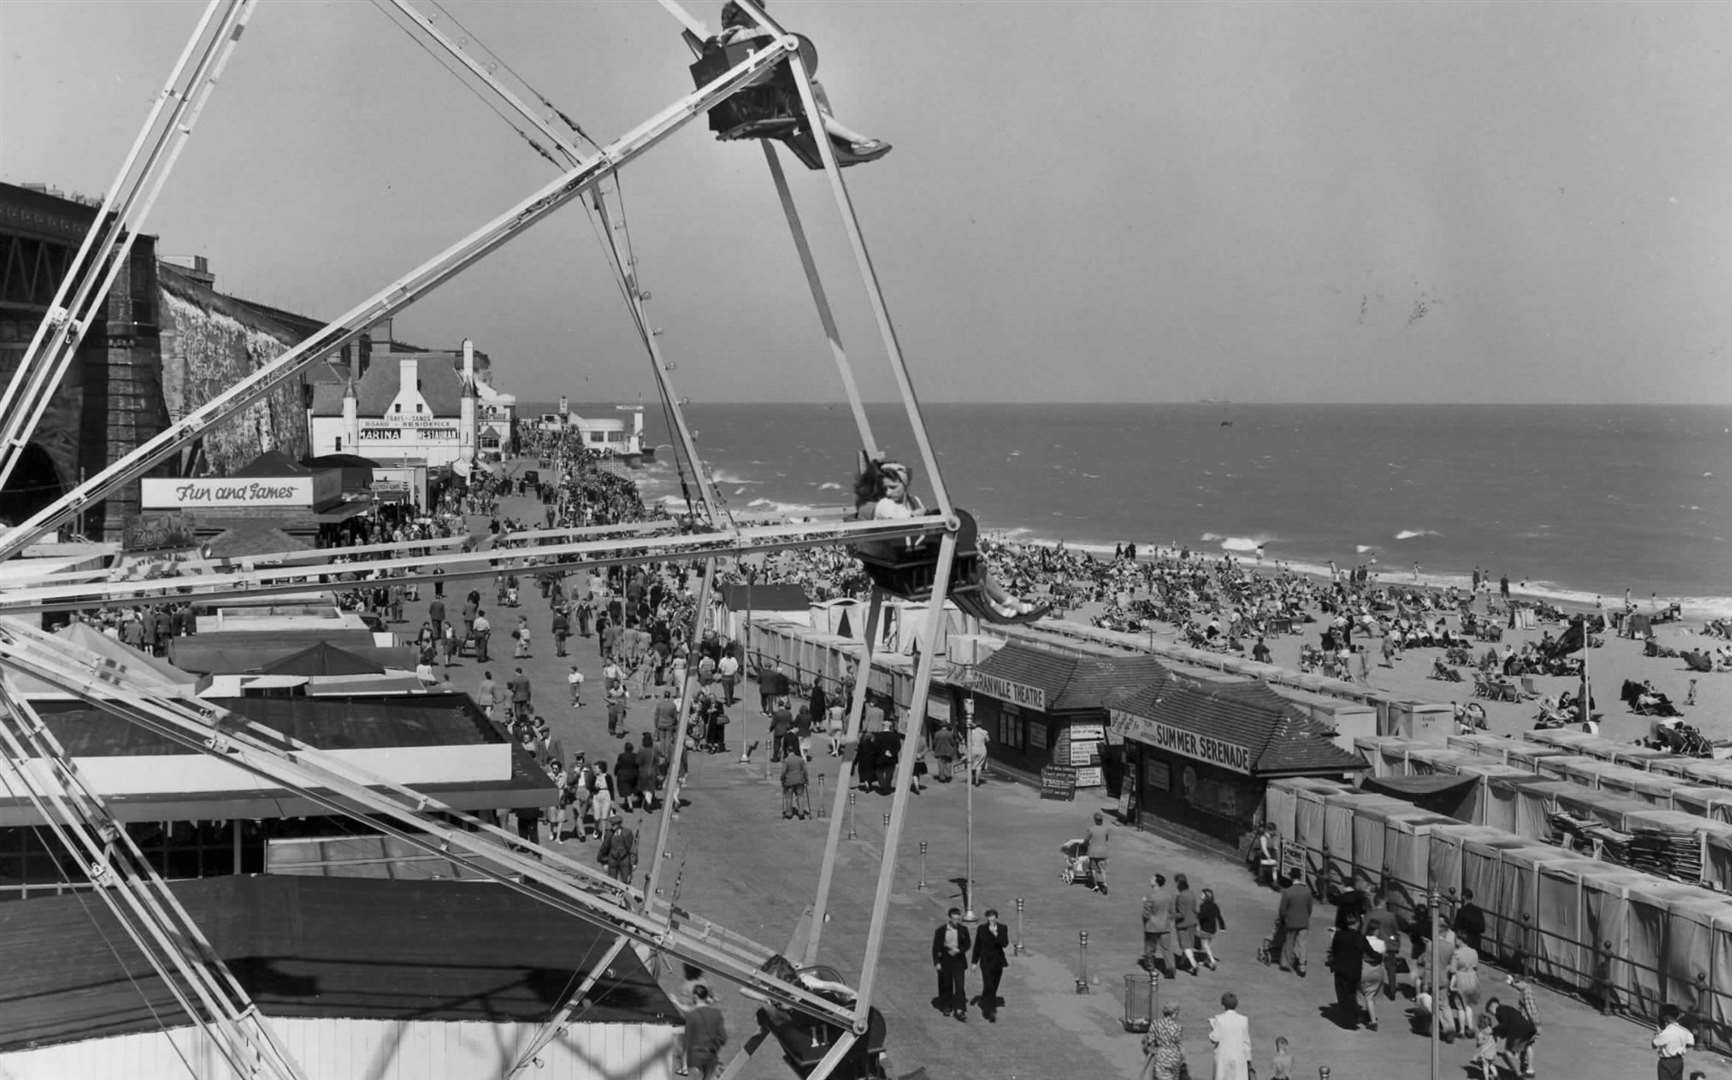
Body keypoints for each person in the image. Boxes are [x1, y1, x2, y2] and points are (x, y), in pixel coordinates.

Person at [713, 0, 891, 161]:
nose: (758, 20)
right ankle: (853, 140)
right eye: (757, 12)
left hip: (755, 95)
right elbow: (768, 57)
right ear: (743, 13)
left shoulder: (725, 40)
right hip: (762, 97)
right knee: (812, 90)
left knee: (810, 93)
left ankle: (847, 138)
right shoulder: (743, 36)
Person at [931, 907, 971, 1021]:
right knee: (946, 985)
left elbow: (967, 944)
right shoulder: (941, 931)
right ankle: (947, 1006)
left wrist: (959, 950)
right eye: (954, 919)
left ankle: (960, 1009)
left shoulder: (963, 930)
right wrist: (937, 962)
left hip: (958, 961)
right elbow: (935, 948)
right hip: (945, 960)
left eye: (958, 919)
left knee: (960, 985)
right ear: (949, 918)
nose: (956, 922)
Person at [1485, 993, 1537, 1080]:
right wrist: (1499, 1034)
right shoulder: (1507, 1009)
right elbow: (1506, 1026)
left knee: (1506, 1054)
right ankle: (1530, 1070)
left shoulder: (1499, 1011)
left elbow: (1504, 1025)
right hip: (1527, 1028)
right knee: (1527, 1045)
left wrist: (1494, 1031)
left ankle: (1518, 1075)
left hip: (1517, 1031)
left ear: (1492, 1006)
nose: (1492, 1014)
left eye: (1490, 1012)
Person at [971, 907, 1009, 1022]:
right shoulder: (982, 929)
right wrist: (974, 962)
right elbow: (977, 945)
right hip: (986, 961)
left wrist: (996, 934)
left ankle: (986, 998)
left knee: (994, 985)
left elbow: (1005, 944)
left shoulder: (1003, 928)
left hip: (998, 961)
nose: (991, 922)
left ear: (996, 918)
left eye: (993, 920)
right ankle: (989, 1010)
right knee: (988, 985)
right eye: (989, 920)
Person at [682, 984, 728, 1079]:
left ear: (695, 997)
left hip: (695, 1058)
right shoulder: (717, 1014)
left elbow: (687, 1041)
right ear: (706, 997)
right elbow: (723, 1038)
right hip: (711, 1056)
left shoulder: (691, 1015)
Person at [1275, 871, 1313, 976]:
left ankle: (1287, 963)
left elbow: (1282, 909)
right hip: (1304, 921)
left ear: (1291, 878)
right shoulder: (1307, 891)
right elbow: (1310, 907)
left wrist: (1282, 919)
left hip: (1291, 921)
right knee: (1302, 943)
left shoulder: (1288, 892)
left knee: (1289, 942)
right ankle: (1302, 966)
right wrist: (1306, 916)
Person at [1208, 991, 1251, 1080]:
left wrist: (1212, 1027)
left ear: (1223, 1005)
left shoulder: (1219, 1019)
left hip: (1223, 1057)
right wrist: (1249, 1059)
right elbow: (1246, 1041)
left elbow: (1214, 1038)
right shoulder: (1243, 1020)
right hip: (1239, 1056)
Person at [1142, 874, 1176, 976]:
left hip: (1152, 927)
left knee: (1150, 949)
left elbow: (1146, 913)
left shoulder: (1150, 896)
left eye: (1152, 879)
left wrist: (1144, 904)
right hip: (1165, 926)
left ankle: (1151, 968)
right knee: (1167, 949)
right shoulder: (1168, 896)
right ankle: (1170, 969)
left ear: (1156, 882)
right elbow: (1172, 911)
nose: (1150, 880)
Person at [1140, 1002, 1184, 1080]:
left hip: (1162, 1057)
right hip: (1175, 1058)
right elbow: (1178, 1044)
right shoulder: (1178, 1027)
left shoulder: (1156, 1024)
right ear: (1173, 1014)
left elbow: (1149, 1040)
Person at [1653, 1003, 1694, 1079]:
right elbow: (1691, 1043)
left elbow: (1654, 1044)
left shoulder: (1666, 1033)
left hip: (1666, 1062)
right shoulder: (1684, 1030)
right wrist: (1680, 1045)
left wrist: (1658, 1034)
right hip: (1679, 1061)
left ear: (1666, 1018)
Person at [1172, 873, 1200, 973]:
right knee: (1187, 944)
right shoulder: (1192, 894)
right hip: (1192, 922)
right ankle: (1182, 962)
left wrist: (1171, 915)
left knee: (1185, 945)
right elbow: (1194, 909)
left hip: (1183, 925)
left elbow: (1181, 914)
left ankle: (1193, 964)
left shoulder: (1181, 897)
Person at [1196, 887, 1225, 971]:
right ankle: (1206, 960)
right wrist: (1222, 927)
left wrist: (1196, 915)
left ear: (1206, 896)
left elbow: (1202, 916)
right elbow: (1219, 916)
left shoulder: (1203, 905)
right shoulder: (1215, 905)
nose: (1200, 895)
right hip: (1213, 929)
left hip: (1205, 928)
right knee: (1208, 945)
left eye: (1202, 894)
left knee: (1205, 945)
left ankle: (1212, 961)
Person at [1084, 810, 1111, 895]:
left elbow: (1086, 840)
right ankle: (1105, 884)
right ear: (1102, 820)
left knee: (1093, 870)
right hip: (1103, 852)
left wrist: (1085, 844)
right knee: (1103, 870)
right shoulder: (1105, 829)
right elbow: (1106, 839)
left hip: (1093, 852)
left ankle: (1096, 886)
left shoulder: (1091, 829)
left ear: (1095, 820)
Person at [781, 750, 809, 819]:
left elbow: (783, 772)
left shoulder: (786, 760)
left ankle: (789, 813)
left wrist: (782, 779)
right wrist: (806, 779)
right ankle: (801, 813)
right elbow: (805, 770)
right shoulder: (800, 759)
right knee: (800, 797)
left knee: (789, 797)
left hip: (789, 782)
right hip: (800, 781)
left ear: (788, 752)